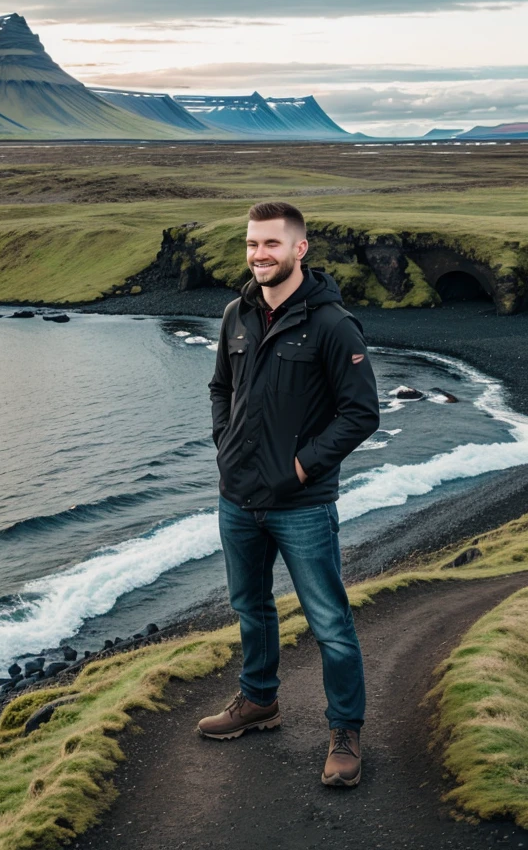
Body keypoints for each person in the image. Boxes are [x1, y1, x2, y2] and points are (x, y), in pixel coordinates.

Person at [198, 201, 380, 788]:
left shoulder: (332, 325)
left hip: (301, 506)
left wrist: (302, 468)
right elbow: (220, 389)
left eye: (271, 245)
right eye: (252, 245)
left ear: (300, 249)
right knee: (249, 607)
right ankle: (259, 701)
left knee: (329, 621)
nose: (259, 255)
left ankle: (345, 731)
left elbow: (361, 413)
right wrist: (225, 444)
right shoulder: (235, 314)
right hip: (237, 500)